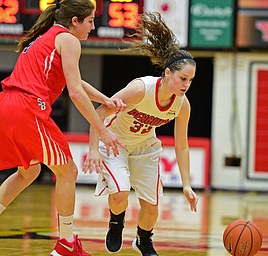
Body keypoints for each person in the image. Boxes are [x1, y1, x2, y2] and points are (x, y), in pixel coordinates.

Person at [0, 1, 126, 256]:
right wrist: (101, 128)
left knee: (28, 172)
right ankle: (67, 243)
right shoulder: (69, 40)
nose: (93, 27)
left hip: (5, 104)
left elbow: (74, 79)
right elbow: (74, 91)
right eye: (90, 21)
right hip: (27, 107)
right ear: (75, 21)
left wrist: (104, 99)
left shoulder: (47, 37)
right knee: (68, 171)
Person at [82, 12, 199, 256]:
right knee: (121, 192)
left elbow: (182, 146)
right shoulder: (140, 89)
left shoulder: (182, 104)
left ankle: (143, 240)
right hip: (115, 144)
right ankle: (116, 224)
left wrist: (187, 185)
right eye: (183, 78)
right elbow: (100, 112)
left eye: (190, 80)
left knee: (152, 208)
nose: (187, 84)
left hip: (145, 149)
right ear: (168, 73)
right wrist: (93, 147)